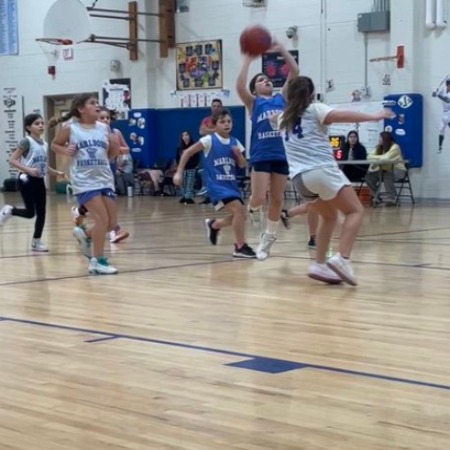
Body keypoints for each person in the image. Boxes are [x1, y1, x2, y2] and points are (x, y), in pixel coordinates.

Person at [277, 75, 394, 286]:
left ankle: (319, 264)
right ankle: (342, 258)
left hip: (299, 179)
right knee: (355, 211)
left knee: (329, 217)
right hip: (321, 170)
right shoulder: (315, 109)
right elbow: (343, 115)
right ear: (312, 94)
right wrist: (374, 116)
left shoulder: (282, 118)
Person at [236, 38, 299, 260]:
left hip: (281, 154)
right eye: (261, 80)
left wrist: (282, 50)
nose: (266, 81)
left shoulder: (282, 98)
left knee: (277, 199)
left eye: (268, 79)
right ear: (255, 88)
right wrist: (247, 60)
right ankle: (253, 209)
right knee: (259, 197)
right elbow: (239, 87)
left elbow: (295, 72)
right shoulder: (254, 103)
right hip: (261, 154)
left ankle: (268, 238)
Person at [51, 94, 121, 275]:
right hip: (84, 180)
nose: (97, 105)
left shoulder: (104, 128)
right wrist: (65, 150)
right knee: (101, 219)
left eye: (97, 103)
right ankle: (97, 261)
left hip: (104, 178)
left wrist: (115, 147)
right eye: (92, 103)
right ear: (81, 109)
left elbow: (110, 155)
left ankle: (85, 234)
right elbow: (54, 145)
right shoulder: (70, 128)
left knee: (111, 224)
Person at [174, 108, 256, 258]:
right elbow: (187, 152)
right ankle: (240, 246)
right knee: (239, 211)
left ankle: (215, 225)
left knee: (242, 215)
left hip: (231, 185)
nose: (226, 124)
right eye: (222, 122)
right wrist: (179, 172)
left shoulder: (235, 142)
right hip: (216, 186)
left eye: (229, 121)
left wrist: (239, 155)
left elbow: (242, 165)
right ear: (215, 125)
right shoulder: (209, 140)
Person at [0, 113, 65, 251]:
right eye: (37, 123)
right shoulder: (26, 141)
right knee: (30, 213)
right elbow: (12, 160)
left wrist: (56, 172)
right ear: (28, 127)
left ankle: (36, 242)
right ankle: (9, 210)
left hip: (39, 180)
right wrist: (28, 170)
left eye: (42, 123)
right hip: (26, 179)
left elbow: (43, 165)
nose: (41, 125)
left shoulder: (45, 144)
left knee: (42, 213)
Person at [69, 107, 129, 244]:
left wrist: (116, 148)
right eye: (102, 118)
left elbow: (126, 149)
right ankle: (113, 232)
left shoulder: (115, 132)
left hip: (109, 167)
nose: (106, 120)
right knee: (100, 203)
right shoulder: (90, 133)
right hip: (93, 170)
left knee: (108, 202)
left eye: (107, 117)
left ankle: (80, 213)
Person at [364, 131, 406, 207]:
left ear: (385, 139)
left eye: (380, 138)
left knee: (388, 174)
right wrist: (381, 158)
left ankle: (391, 198)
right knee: (369, 177)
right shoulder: (379, 147)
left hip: (398, 170)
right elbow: (369, 157)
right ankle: (376, 197)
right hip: (383, 170)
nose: (378, 140)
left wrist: (377, 158)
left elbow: (386, 158)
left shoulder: (395, 147)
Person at [198, 98, 223, 204]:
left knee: (219, 174)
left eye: (218, 106)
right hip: (208, 151)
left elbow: (223, 131)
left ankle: (220, 197)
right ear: (211, 108)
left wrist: (208, 130)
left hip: (220, 150)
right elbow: (201, 131)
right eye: (214, 106)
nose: (216, 108)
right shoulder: (206, 120)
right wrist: (215, 130)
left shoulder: (224, 120)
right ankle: (208, 197)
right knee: (208, 174)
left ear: (221, 108)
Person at [176, 131, 199, 204]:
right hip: (183, 168)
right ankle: (184, 196)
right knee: (183, 183)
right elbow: (177, 159)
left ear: (190, 136)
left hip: (191, 168)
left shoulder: (193, 147)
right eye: (183, 135)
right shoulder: (179, 148)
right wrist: (179, 167)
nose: (185, 137)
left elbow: (197, 158)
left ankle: (188, 197)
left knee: (190, 183)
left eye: (186, 135)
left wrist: (193, 165)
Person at [432, 79, 450, 153]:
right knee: (441, 130)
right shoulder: (443, 89)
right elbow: (433, 95)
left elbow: (447, 100)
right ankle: (440, 147)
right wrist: (434, 92)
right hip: (444, 113)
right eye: (449, 85)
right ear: (447, 85)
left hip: (449, 112)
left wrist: (438, 95)